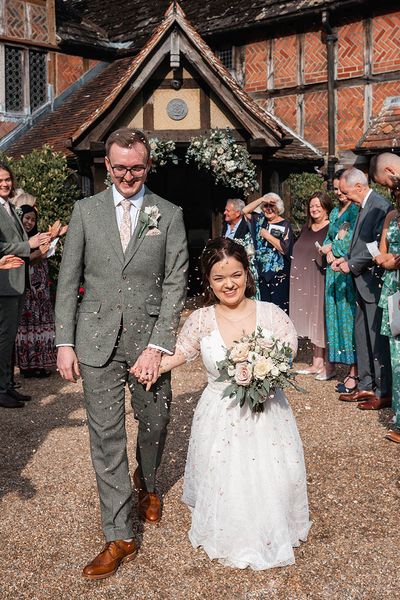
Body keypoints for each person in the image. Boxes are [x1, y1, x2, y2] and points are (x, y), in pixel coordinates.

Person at [55, 128, 188, 580]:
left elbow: (175, 284)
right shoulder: (85, 212)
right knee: (105, 438)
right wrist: (64, 342)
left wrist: (158, 345)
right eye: (120, 167)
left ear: (147, 167)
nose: (128, 175)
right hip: (95, 342)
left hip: (148, 343)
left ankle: (149, 484)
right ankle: (119, 533)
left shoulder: (167, 215)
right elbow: (68, 280)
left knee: (155, 421)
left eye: (137, 167)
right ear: (106, 167)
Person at [145, 237, 310, 570]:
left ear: (247, 274)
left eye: (235, 274)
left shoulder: (273, 315)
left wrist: (269, 372)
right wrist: (146, 367)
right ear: (208, 280)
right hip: (219, 415)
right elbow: (180, 353)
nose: (229, 283)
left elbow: (287, 354)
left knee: (269, 474)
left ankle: (270, 526)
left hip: (267, 414)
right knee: (226, 479)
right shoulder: (201, 319)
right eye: (219, 278)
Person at [334, 167, 392, 409]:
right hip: (361, 280)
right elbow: (361, 241)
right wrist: (345, 257)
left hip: (373, 281)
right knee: (362, 335)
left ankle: (383, 390)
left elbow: (379, 245)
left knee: (376, 337)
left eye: (347, 192)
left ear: (359, 186)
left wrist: (352, 264)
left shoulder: (379, 205)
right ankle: (366, 385)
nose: (345, 197)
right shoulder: (362, 206)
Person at [0, 163, 51, 409]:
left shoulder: (9, 206)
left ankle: (8, 385)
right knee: (3, 338)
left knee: (8, 339)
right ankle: (1, 389)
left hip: (17, 282)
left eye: (8, 179)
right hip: (4, 281)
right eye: (0, 180)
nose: (5, 184)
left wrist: (39, 243)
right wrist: (28, 245)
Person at [319, 171, 359, 393]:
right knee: (334, 317)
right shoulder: (334, 212)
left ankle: (356, 370)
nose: (339, 193)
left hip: (346, 269)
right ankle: (341, 365)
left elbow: (354, 238)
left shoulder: (355, 210)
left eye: (341, 189)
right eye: (335, 189)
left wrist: (335, 249)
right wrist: (327, 249)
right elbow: (329, 236)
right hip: (332, 270)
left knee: (349, 317)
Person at [290, 192, 334, 380]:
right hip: (303, 280)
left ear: (326, 208)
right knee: (311, 319)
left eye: (318, 206)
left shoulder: (331, 228)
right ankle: (316, 363)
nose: (314, 209)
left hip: (320, 278)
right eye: (311, 206)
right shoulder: (306, 227)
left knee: (320, 319)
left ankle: (325, 363)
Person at [371, 152, 400, 442]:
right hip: (391, 287)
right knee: (396, 355)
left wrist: (393, 260)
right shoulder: (391, 215)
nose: (390, 192)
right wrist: (385, 259)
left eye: (390, 186)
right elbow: (381, 250)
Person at [14, 205, 57, 378]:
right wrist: (39, 252)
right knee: (27, 325)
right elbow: (21, 261)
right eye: (27, 218)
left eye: (33, 219)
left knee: (41, 323)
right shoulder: (17, 239)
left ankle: (40, 362)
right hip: (26, 286)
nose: (30, 222)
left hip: (40, 288)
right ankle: (26, 365)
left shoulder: (38, 237)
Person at [242, 193, 293, 311]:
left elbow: (284, 249)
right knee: (264, 307)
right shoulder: (260, 220)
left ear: (279, 207)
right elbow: (244, 211)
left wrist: (267, 236)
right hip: (262, 272)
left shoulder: (285, 224)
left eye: (272, 206)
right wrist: (262, 199)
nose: (269, 209)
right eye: (266, 206)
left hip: (278, 273)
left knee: (279, 308)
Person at [222, 198, 260, 298]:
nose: (224, 212)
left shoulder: (247, 227)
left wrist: (263, 199)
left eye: (228, 210)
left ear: (238, 213)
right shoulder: (225, 226)